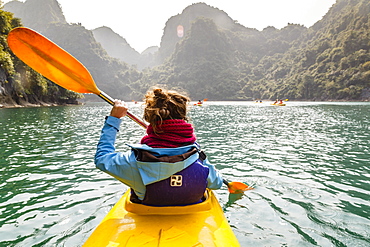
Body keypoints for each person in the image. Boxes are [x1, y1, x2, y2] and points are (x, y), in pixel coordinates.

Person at [95, 87, 224, 206]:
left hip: (146, 212)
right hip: (192, 214)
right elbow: (217, 183)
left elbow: (102, 159)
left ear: (150, 118)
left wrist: (114, 119)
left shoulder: (134, 161)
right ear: (183, 117)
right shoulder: (198, 157)